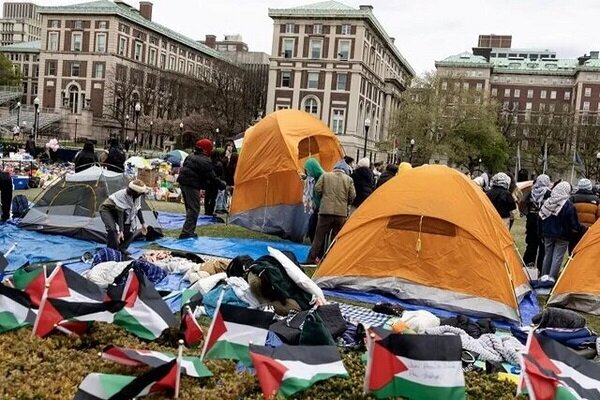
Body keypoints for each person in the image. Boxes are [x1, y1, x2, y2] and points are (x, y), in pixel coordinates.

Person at [306, 160, 355, 264]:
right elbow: (352, 196)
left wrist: (323, 199)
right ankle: (331, 261)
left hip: (325, 212)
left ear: (334, 168)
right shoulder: (349, 180)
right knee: (335, 238)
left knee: (319, 237)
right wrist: (345, 203)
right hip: (340, 214)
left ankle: (311, 258)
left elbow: (317, 189)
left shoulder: (326, 176)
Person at [177, 139, 226, 239]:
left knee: (190, 209)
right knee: (194, 209)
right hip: (191, 185)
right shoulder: (205, 160)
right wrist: (222, 185)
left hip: (183, 182)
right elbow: (212, 177)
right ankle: (187, 232)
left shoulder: (190, 156)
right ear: (206, 149)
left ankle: (188, 230)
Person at [539, 182, 580, 282]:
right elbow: (573, 222)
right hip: (563, 235)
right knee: (557, 256)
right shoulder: (568, 205)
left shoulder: (548, 202)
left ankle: (544, 275)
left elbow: (540, 217)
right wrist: (576, 230)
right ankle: (552, 277)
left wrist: (540, 231)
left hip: (547, 233)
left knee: (547, 255)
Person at [99, 179, 148, 253]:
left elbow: (138, 209)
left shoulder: (137, 196)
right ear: (135, 192)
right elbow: (120, 215)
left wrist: (143, 224)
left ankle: (122, 248)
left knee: (131, 229)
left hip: (118, 211)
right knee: (112, 229)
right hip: (107, 209)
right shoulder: (123, 195)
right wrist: (121, 231)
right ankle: (112, 251)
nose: (141, 195)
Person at [522, 174, 552, 274]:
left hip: (531, 222)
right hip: (544, 223)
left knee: (531, 245)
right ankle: (541, 269)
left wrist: (527, 213)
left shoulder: (531, 192)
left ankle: (527, 268)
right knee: (543, 248)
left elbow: (523, 203)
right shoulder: (548, 193)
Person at [569, 178, 600, 252]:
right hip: (589, 230)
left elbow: (569, 214)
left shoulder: (572, 198)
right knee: (585, 251)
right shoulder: (596, 200)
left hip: (574, 229)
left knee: (573, 251)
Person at [303, 157, 325, 243]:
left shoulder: (322, 178)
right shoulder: (314, 178)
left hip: (322, 208)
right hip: (317, 207)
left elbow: (319, 192)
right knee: (312, 226)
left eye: (308, 170)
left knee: (314, 227)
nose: (307, 172)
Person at [204, 148, 224, 216]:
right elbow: (221, 173)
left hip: (208, 182)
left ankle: (206, 210)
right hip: (215, 182)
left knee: (207, 197)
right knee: (213, 198)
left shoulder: (208, 162)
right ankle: (210, 211)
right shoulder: (219, 164)